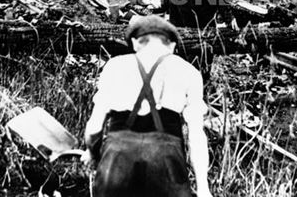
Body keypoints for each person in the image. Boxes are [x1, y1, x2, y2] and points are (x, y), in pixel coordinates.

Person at [83, 15, 212, 197]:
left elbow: (94, 128)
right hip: (166, 163)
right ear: (172, 46)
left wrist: (93, 155)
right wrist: (203, 188)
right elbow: (197, 136)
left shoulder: (115, 67)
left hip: (117, 161)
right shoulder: (189, 72)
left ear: (135, 43)